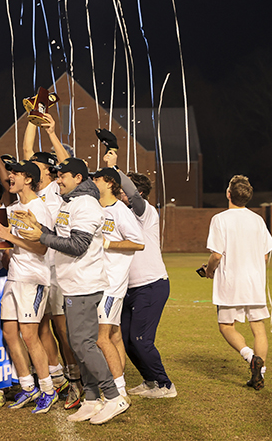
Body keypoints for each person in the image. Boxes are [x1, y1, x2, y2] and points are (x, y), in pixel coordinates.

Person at [17, 157, 129, 425]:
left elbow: (77, 245)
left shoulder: (88, 205)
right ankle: (91, 399)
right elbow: (60, 236)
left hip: (85, 284)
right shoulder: (71, 204)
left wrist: (41, 237)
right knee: (79, 346)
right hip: (72, 283)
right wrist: (39, 227)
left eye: (63, 176)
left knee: (82, 344)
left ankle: (114, 397)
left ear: (78, 178)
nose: (58, 180)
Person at [102, 148, 177, 399]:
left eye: (122, 188)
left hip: (151, 284)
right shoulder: (118, 213)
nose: (119, 192)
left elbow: (131, 193)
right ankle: (150, 380)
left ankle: (165, 384)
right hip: (126, 287)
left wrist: (114, 168)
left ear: (139, 194)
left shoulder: (145, 212)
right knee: (123, 338)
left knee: (141, 338)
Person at [23, 113, 81, 408]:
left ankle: (76, 380)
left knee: (62, 329)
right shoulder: (34, 192)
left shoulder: (58, 191)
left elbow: (68, 163)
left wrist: (53, 133)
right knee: (41, 327)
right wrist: (33, 117)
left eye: (39, 167)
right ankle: (56, 377)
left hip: (58, 269)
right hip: (38, 268)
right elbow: (25, 152)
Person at [0, 160, 59, 414]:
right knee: (10, 332)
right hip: (15, 276)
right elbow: (9, 240)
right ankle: (28, 386)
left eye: (16, 173)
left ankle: (48, 389)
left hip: (34, 278)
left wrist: (10, 237)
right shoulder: (14, 207)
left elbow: (42, 247)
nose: (10, 177)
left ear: (28, 179)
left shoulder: (38, 208)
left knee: (30, 335)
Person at [203, 175, 272, 390]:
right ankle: (259, 373)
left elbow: (216, 255)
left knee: (226, 326)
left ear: (228, 194)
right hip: (254, 281)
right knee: (258, 327)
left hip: (231, 282)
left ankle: (251, 358)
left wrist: (208, 271)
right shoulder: (257, 220)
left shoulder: (220, 219)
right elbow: (264, 256)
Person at [91, 166, 144, 401]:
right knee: (114, 336)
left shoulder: (121, 211)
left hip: (112, 284)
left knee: (101, 337)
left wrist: (108, 244)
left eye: (97, 178)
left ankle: (118, 390)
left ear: (110, 183)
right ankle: (118, 383)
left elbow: (139, 243)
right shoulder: (94, 208)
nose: (93, 181)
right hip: (97, 281)